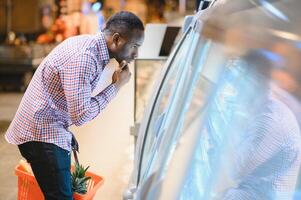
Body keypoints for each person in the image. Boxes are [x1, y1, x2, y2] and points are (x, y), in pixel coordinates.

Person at [5, 11, 144, 199]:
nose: (136, 54)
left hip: (49, 127)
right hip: (41, 132)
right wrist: (116, 86)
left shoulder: (92, 47)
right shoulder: (85, 57)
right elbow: (82, 114)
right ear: (117, 39)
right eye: (135, 46)